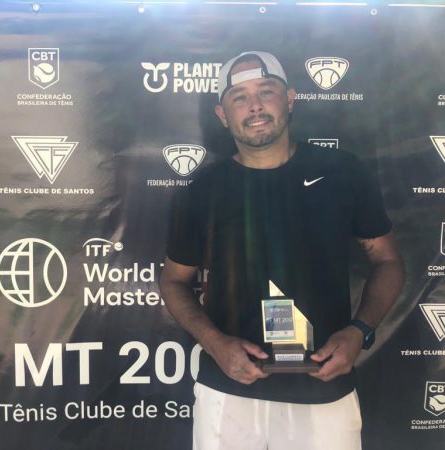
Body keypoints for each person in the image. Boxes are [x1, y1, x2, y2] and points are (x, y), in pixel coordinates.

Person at [160, 51, 405, 450]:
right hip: (229, 390)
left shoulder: (342, 171)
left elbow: (387, 260)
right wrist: (215, 344)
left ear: (290, 98)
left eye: (266, 90)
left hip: (325, 389)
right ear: (222, 114)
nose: (254, 105)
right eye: (239, 97)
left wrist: (359, 332)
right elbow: (174, 281)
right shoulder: (202, 191)